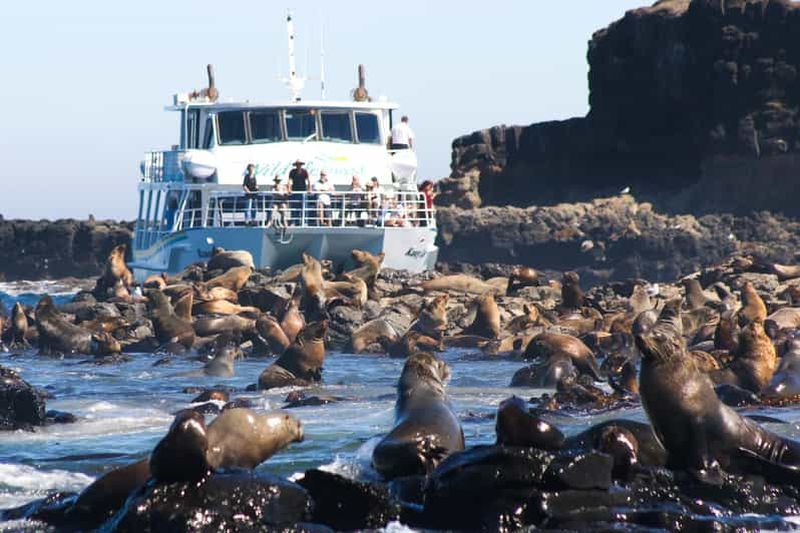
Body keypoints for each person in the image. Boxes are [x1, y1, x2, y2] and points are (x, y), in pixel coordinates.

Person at [288, 160, 310, 225]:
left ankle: (304, 222)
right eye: (297, 164)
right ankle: (295, 221)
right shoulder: (292, 172)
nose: (298, 165)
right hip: (295, 192)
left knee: (304, 207)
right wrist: (289, 189)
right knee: (294, 207)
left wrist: (309, 189)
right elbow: (289, 180)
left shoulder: (304, 171)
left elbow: (308, 180)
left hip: (303, 191)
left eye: (299, 164)